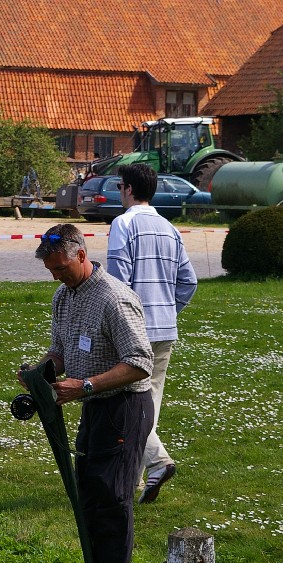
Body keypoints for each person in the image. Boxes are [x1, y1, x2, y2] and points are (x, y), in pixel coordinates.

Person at [20, 223, 155, 563]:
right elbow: (60, 352)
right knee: (91, 490)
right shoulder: (64, 296)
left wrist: (86, 385)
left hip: (125, 406)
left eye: (61, 268)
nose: (57, 276)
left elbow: (141, 362)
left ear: (81, 255)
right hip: (94, 406)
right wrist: (38, 373)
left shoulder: (114, 298)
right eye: (51, 271)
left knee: (112, 494)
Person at [107, 163, 197, 504]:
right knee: (150, 404)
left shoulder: (123, 223)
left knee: (131, 407)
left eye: (119, 186)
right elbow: (189, 281)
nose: (119, 192)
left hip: (133, 330)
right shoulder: (169, 228)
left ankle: (158, 463)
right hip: (165, 330)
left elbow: (117, 283)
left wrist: (118, 322)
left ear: (129, 189)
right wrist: (170, 311)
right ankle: (134, 480)